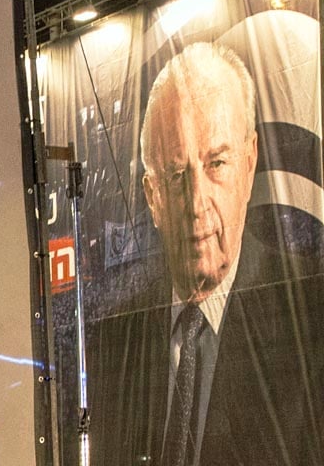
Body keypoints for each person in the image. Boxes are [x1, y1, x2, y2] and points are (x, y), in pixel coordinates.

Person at [89, 42, 324, 466]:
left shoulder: (311, 314)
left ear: (249, 164)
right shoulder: (115, 339)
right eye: (178, 175)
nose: (197, 203)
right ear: (151, 196)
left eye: (217, 164)